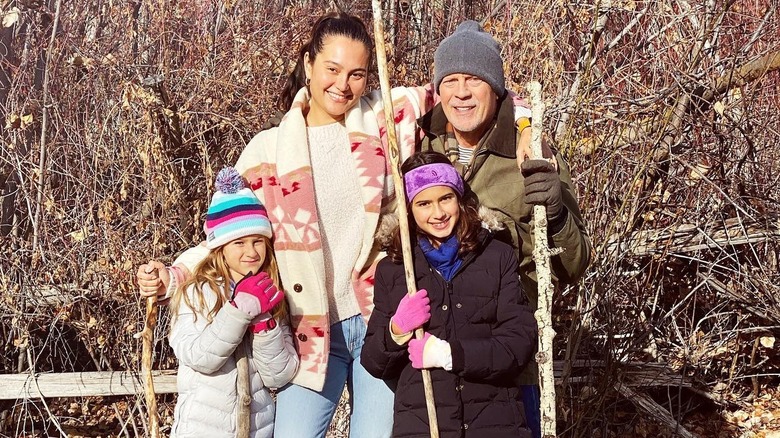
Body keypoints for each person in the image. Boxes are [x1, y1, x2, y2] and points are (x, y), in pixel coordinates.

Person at [137, 12, 533, 437]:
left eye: (357, 74)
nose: (343, 85)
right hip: (309, 326)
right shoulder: (269, 151)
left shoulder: (388, 116)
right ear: (309, 64)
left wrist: (525, 124)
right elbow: (228, 233)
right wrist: (174, 275)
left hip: (381, 319)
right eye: (332, 69)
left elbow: (468, 90)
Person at [416, 20, 593, 437]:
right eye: (451, 80)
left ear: (495, 89)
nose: (461, 92)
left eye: (474, 80)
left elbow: (576, 261)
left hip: (510, 353)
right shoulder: (423, 151)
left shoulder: (532, 151)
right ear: (438, 89)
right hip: (438, 352)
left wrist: (556, 213)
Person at [361, 151, 538, 437]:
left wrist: (448, 354)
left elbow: (518, 344)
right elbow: (373, 361)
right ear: (409, 209)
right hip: (423, 425)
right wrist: (396, 330)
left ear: (460, 198)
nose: (438, 213)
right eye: (424, 203)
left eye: (445, 198)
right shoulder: (394, 269)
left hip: (494, 422)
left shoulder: (496, 256)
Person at [168, 167, 298, 438]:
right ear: (221, 247)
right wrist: (239, 311)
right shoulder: (198, 293)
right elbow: (200, 357)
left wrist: (264, 323)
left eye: (258, 242)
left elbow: (279, 375)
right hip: (202, 430)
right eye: (239, 242)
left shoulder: (271, 296)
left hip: (256, 431)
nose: (251, 252)